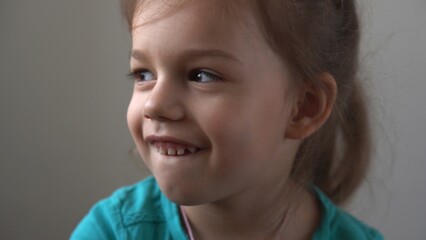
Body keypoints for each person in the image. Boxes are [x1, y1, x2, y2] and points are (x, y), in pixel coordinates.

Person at [71, 0, 384, 239]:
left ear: (304, 106)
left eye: (202, 75)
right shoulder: (111, 232)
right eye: (144, 73)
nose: (155, 104)